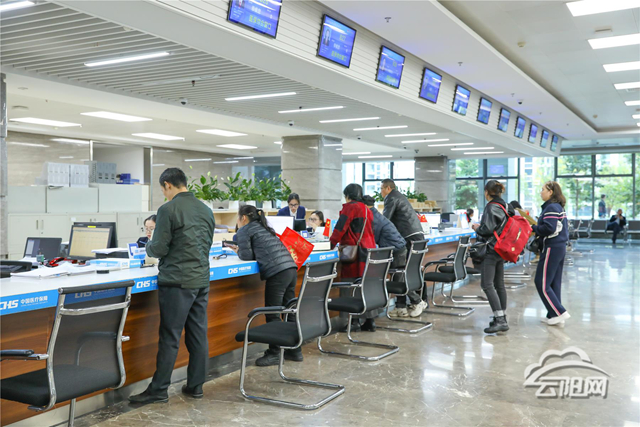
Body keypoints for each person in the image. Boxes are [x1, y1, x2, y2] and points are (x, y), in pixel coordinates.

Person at [129, 168, 215, 403]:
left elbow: (158, 248)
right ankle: (196, 386)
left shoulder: (168, 209)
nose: (164, 194)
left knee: (170, 336)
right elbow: (206, 243)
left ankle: (159, 390)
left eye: (163, 190)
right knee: (198, 334)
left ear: (167, 185)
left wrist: (147, 244)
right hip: (201, 279)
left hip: (177, 281)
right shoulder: (205, 209)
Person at [234, 205, 300, 366]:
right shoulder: (264, 227)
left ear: (243, 218)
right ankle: (295, 350)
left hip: (277, 273)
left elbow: (246, 255)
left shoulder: (244, 230)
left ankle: (274, 353)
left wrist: (237, 250)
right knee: (290, 311)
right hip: (290, 269)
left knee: (273, 313)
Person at [363, 196, 423, 319]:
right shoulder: (376, 214)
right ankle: (401, 307)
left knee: (399, 280)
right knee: (397, 279)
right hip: (397, 248)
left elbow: (372, 237)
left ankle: (418, 301)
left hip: (396, 250)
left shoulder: (372, 217)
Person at [330, 184, 377, 331]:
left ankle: (353, 321)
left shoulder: (350, 208)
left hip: (354, 252)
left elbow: (340, 228)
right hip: (369, 250)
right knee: (365, 286)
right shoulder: (366, 209)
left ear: (348, 195)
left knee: (350, 285)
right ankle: (370, 321)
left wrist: (331, 244)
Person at [472, 180, 514, 334]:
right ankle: (501, 317)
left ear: (486, 192)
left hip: (490, 249)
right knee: (499, 284)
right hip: (502, 248)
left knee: (487, 284)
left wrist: (477, 227)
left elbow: (486, 229)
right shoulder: (506, 206)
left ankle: (500, 320)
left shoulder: (491, 207)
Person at [380, 179, 428, 315]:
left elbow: (385, 220)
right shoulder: (399, 196)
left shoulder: (391, 198)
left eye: (382, 188)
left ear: (388, 188)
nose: (381, 192)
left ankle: (416, 302)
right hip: (415, 235)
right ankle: (404, 305)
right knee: (409, 269)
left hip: (408, 236)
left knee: (401, 269)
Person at [532, 181, 570, 326]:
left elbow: (549, 228)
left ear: (551, 192)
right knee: (554, 282)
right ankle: (554, 315)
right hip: (559, 247)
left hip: (552, 247)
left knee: (541, 282)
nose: (540, 192)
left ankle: (559, 312)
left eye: (543, 189)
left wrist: (533, 228)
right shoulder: (557, 207)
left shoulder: (551, 207)